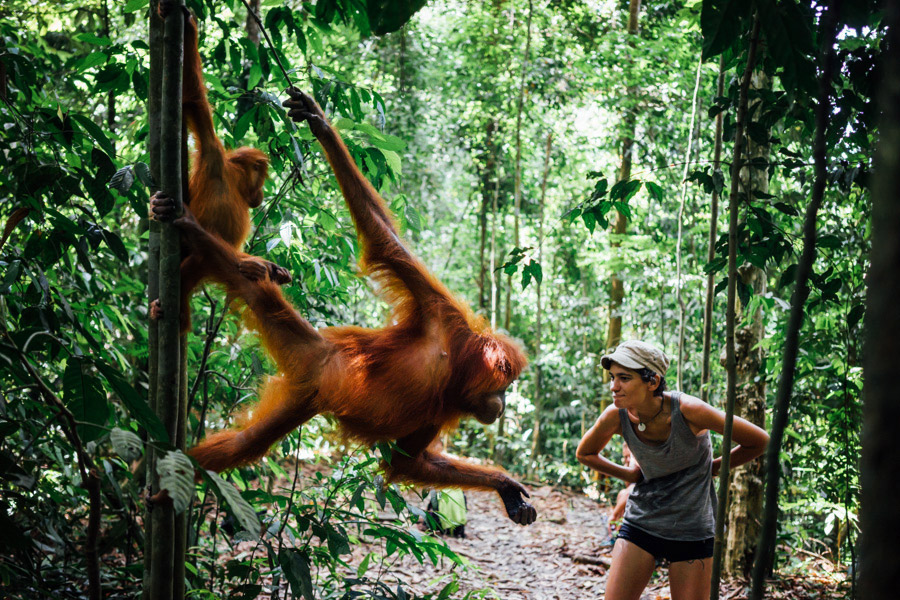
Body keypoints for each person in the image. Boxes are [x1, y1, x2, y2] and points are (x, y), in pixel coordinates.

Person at [576, 340, 769, 600]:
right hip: (642, 521)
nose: (614, 386)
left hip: (692, 528)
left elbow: (759, 441)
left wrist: (712, 468)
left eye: (624, 378)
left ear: (652, 381)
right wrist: (631, 475)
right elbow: (585, 453)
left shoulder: (689, 410)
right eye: (612, 377)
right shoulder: (616, 415)